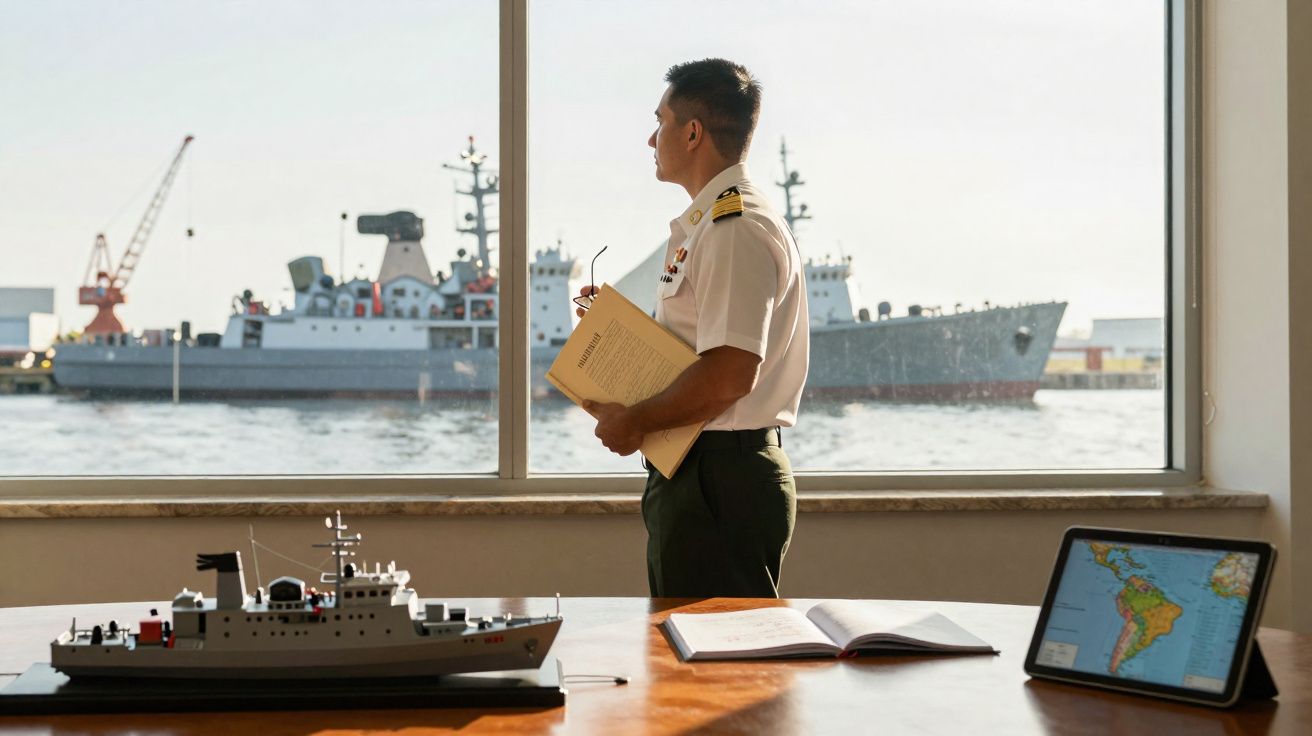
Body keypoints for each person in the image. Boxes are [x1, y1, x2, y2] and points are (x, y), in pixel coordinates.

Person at [578, 58, 810, 598]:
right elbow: (706, 349)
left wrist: (634, 420)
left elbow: (730, 373)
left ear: (692, 132)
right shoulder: (710, 225)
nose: (650, 138)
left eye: (659, 122)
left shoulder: (733, 228)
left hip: (718, 476)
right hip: (699, 469)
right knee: (683, 658)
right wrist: (620, 333)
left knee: (718, 669)